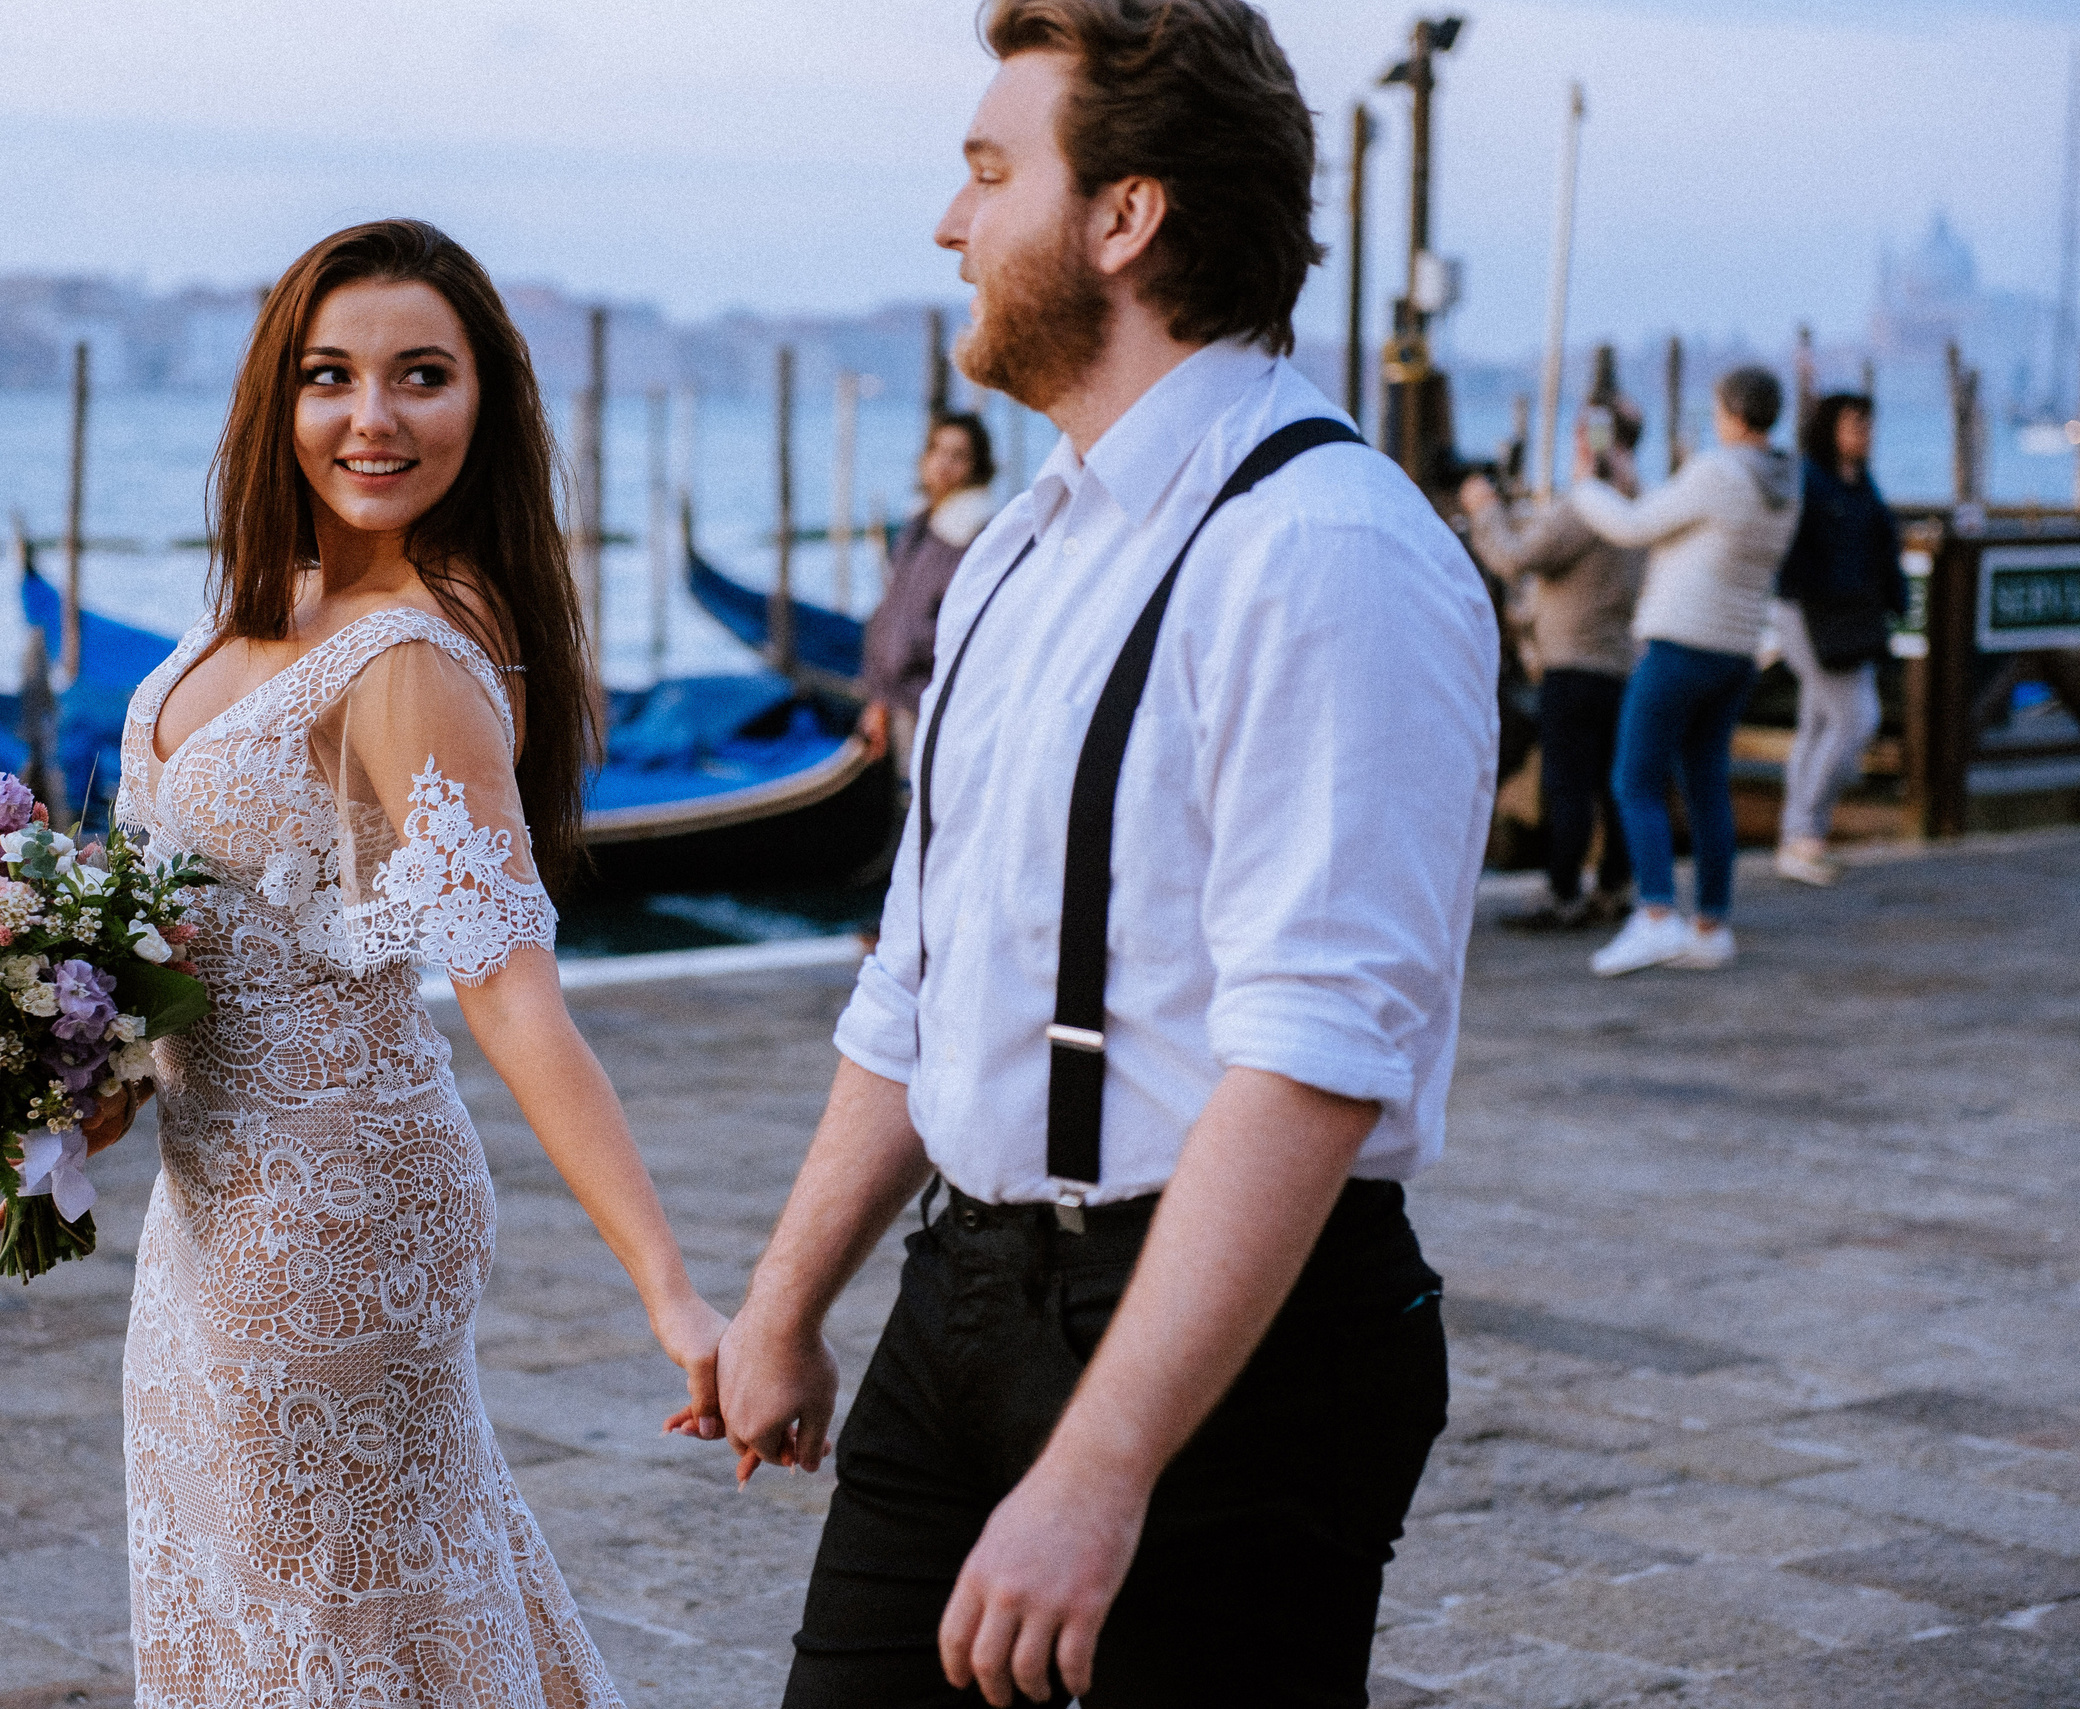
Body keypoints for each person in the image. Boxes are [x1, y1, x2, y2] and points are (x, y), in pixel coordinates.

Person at [713, 5, 1499, 1704]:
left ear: (1125, 216)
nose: (950, 222)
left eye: (990, 174)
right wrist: (785, 1300)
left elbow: (1312, 1055)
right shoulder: (1017, 548)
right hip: (964, 1289)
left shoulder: (1325, 550)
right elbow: (918, 975)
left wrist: (1100, 1461)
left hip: (1239, 1352)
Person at [0, 221, 726, 1708]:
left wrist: (671, 1288)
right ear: (277, 396)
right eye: (330, 375)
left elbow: (510, 986)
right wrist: (75, 1077)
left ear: (485, 404)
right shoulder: (255, 608)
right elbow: (196, 930)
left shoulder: (410, 657)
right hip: (210, 1213)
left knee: (328, 1637)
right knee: (270, 1615)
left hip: (337, 1221)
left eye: (421, 376)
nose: (371, 417)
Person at [1570, 366, 1800, 977]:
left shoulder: (1719, 470)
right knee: (1706, 783)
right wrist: (1633, 486)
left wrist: (1585, 487)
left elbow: (1631, 528)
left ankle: (1655, 915)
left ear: (1731, 413)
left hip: (1680, 643)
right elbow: (1683, 524)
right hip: (1736, 651)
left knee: (1634, 780)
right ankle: (1711, 926)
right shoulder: (1786, 481)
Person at [1460, 403, 1648, 929]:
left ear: (1593, 441)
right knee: (1612, 785)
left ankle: (1563, 894)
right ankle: (1613, 887)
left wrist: (1484, 509)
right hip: (1618, 662)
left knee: (1567, 785)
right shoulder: (1637, 500)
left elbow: (1514, 557)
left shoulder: (1588, 506)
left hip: (1573, 664)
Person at [1771, 391, 1905, 886]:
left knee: (1816, 723)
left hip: (1851, 620)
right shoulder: (1809, 480)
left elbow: (1879, 547)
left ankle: (1798, 836)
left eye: (1868, 425)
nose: (1864, 434)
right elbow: (1792, 548)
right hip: (1809, 614)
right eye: (1854, 424)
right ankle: (1804, 831)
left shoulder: (1861, 482)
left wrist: (1892, 595)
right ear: (1830, 429)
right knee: (1856, 720)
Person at [859, 412, 1001, 765]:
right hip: (898, 699)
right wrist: (879, 697)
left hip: (937, 706)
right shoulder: (919, 528)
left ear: (977, 466)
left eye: (958, 455)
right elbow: (892, 616)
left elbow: (967, 633)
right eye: (937, 450)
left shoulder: (974, 537)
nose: (944, 463)